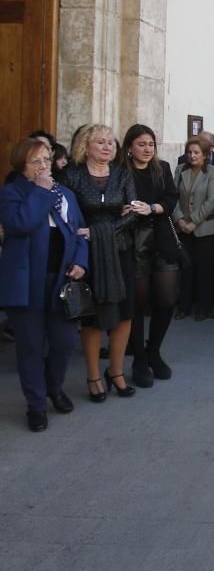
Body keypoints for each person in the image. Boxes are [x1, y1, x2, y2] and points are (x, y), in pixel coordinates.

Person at [0, 138, 88, 431]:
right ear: (22, 167)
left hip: (60, 280)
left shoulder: (64, 194)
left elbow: (80, 232)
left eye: (46, 161)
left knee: (64, 343)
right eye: (35, 162)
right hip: (26, 283)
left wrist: (80, 261)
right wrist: (40, 192)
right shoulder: (12, 193)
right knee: (31, 347)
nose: (42, 167)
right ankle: (36, 405)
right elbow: (20, 224)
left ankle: (54, 386)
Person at [63, 124, 140, 401]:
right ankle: (94, 375)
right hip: (87, 255)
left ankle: (116, 372)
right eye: (100, 142)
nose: (108, 147)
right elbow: (68, 215)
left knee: (125, 313)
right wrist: (90, 233)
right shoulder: (72, 176)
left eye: (111, 142)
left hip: (120, 251)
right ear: (86, 146)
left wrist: (98, 231)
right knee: (92, 317)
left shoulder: (122, 175)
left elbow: (133, 213)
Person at [121, 124, 180, 388]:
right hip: (133, 241)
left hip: (162, 239)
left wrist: (153, 208)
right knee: (137, 303)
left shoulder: (163, 168)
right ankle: (139, 359)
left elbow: (171, 198)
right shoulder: (120, 171)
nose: (147, 149)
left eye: (151, 144)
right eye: (142, 144)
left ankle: (154, 350)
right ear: (130, 147)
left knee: (166, 300)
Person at [173, 136, 214, 322]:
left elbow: (212, 200)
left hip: (204, 228)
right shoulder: (179, 170)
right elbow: (172, 197)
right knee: (186, 268)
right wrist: (180, 220)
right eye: (189, 152)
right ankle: (183, 307)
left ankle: (203, 307)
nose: (192, 156)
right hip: (183, 228)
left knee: (204, 269)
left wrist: (193, 221)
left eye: (196, 152)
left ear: (205, 155)